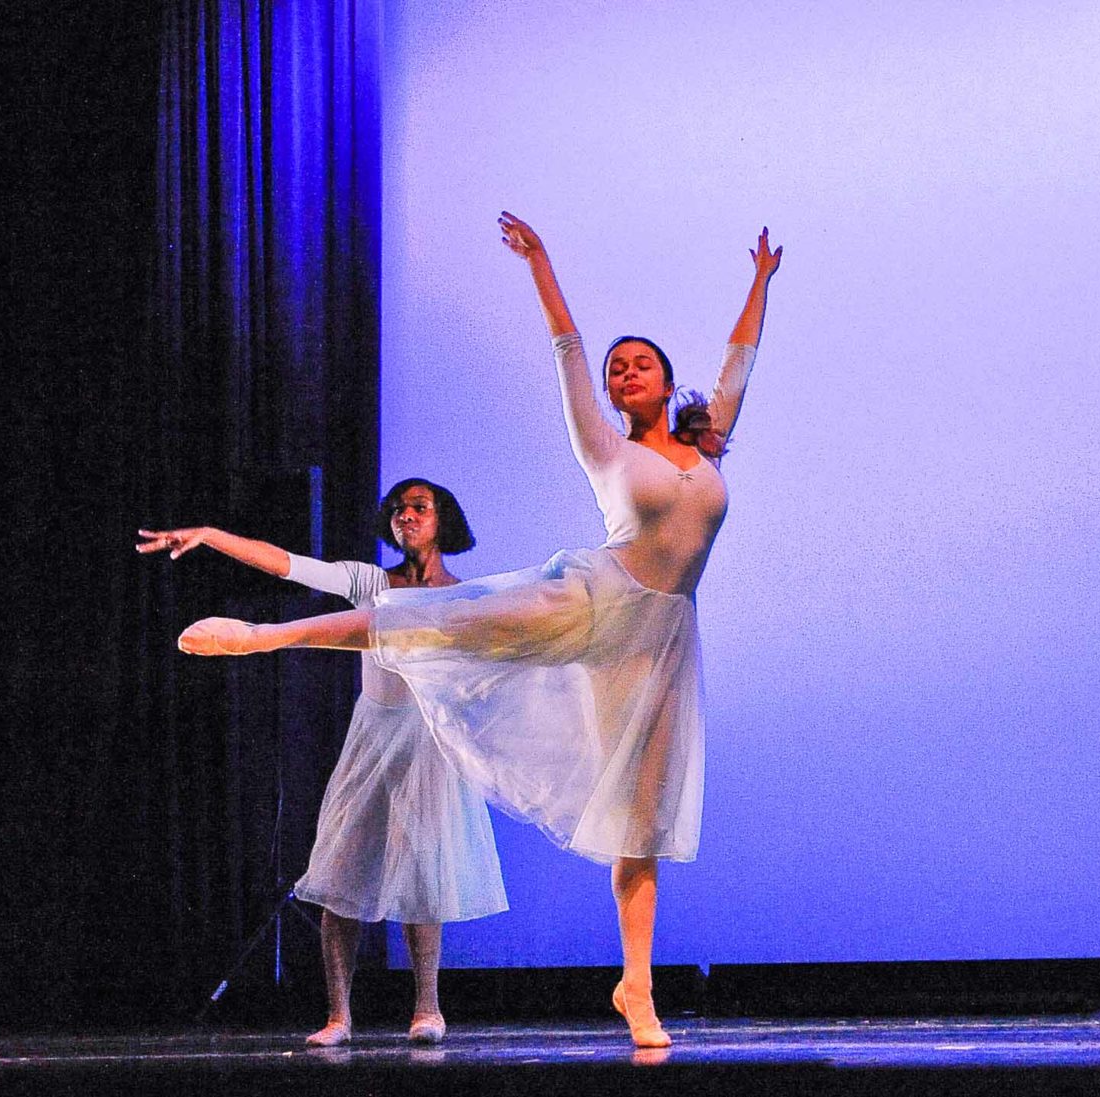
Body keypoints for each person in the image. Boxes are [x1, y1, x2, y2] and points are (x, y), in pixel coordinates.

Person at [174, 213, 781, 1048]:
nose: (625, 371)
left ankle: (635, 987)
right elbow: (569, 347)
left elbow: (739, 364)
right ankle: (259, 636)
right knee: (434, 618)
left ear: (666, 379)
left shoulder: (706, 451)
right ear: (610, 395)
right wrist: (542, 263)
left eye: (641, 362)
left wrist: (759, 282)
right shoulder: (605, 448)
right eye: (618, 368)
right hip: (595, 598)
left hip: (665, 643)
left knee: (642, 820)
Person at [137, 479, 506, 1046]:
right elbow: (292, 566)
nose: (406, 517)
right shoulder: (371, 582)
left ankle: (428, 1008)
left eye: (419, 507)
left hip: (430, 740)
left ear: (443, 520)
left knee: (423, 875)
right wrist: (211, 536)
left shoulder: (465, 594)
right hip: (375, 733)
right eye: (398, 510)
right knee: (341, 872)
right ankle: (339, 1015)